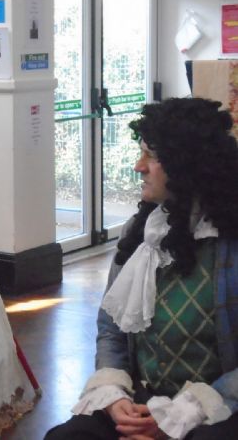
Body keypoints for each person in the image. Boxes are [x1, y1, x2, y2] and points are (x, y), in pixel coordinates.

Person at [45, 97, 238, 440]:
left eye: (151, 156)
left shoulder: (230, 242)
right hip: (143, 402)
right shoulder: (140, 234)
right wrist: (114, 395)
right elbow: (111, 329)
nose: (139, 166)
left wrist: (182, 415)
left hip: (217, 407)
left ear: (186, 162)